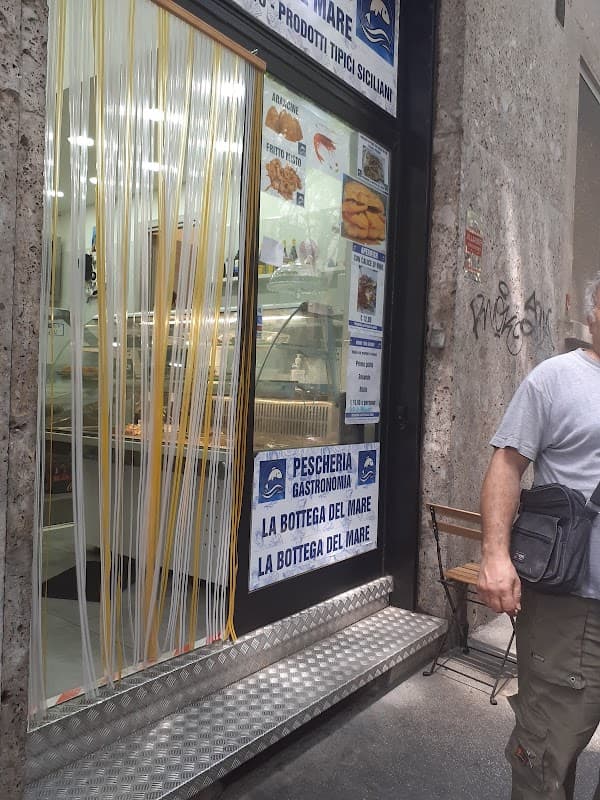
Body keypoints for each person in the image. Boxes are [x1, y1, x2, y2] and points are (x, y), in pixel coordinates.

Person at [478, 271, 600, 800]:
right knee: (548, 748)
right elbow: (506, 467)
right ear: (594, 312)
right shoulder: (554, 379)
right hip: (571, 607)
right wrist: (495, 556)